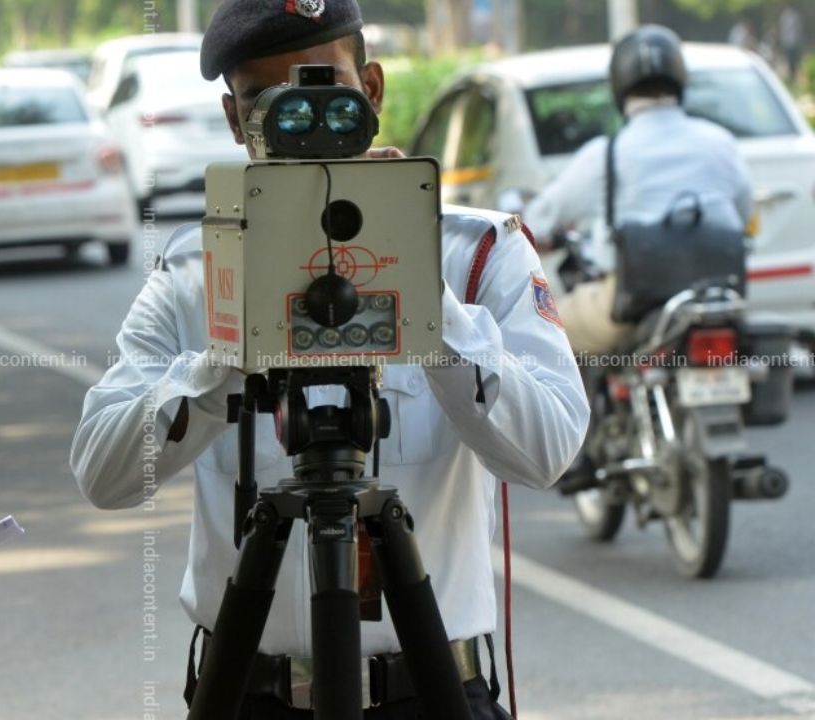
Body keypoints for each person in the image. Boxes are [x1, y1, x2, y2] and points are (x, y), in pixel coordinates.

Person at [69, 1, 588, 718]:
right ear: (233, 120)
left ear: (370, 93)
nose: (302, 124)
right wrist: (226, 357)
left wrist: (419, 297)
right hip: (251, 693)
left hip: (428, 692)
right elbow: (103, 473)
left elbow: (548, 452)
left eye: (326, 93)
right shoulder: (198, 273)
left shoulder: (476, 256)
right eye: (267, 102)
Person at [523, 25, 753, 356]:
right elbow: (743, 213)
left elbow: (541, 218)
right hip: (718, 293)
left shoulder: (606, 153)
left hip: (632, 300)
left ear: (619, 86)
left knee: (544, 325)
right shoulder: (721, 141)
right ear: (679, 78)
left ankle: (586, 409)